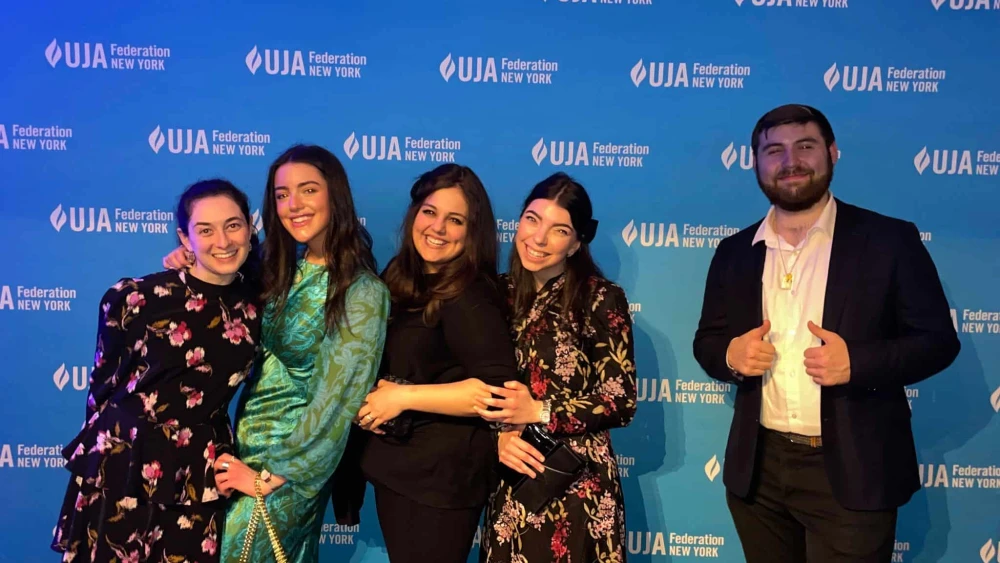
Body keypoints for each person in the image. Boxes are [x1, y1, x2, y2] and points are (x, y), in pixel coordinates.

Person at [692, 104, 960, 562]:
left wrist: (858, 363)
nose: (789, 161)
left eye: (805, 146)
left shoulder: (889, 240)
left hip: (853, 472)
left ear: (833, 153)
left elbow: (938, 341)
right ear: (755, 162)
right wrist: (732, 357)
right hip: (758, 472)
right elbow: (708, 342)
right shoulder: (734, 252)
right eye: (773, 150)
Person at [162, 145, 389, 562]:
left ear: (334, 195)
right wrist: (191, 262)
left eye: (307, 190)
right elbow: (220, 298)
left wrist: (273, 475)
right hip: (243, 451)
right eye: (282, 195)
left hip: (289, 469)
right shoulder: (281, 269)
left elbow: (336, 403)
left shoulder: (361, 292)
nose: (293, 205)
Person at [51, 179, 262, 563]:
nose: (223, 241)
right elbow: (102, 390)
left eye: (233, 225)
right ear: (184, 237)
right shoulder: (134, 298)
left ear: (251, 227)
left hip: (200, 471)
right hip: (123, 465)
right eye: (205, 230)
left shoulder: (260, 304)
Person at [350, 163, 518, 563]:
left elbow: (496, 392)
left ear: (473, 231)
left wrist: (402, 398)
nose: (438, 228)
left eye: (455, 219)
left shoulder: (469, 293)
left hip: (442, 480)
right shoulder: (400, 276)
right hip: (400, 469)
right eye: (430, 212)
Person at [477, 172, 637, 563]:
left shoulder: (601, 297)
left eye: (559, 229)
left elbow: (622, 400)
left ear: (577, 242)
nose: (539, 238)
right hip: (512, 477)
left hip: (577, 485)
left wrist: (540, 410)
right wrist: (496, 435)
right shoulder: (493, 293)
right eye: (532, 219)